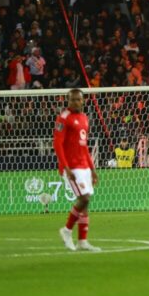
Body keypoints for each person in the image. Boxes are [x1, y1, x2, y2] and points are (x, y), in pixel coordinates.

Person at [54, 89, 101, 251]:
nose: (74, 102)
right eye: (71, 100)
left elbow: (84, 146)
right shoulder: (63, 118)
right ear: (67, 101)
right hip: (71, 167)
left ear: (83, 101)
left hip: (84, 167)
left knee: (85, 205)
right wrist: (65, 167)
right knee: (84, 199)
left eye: (77, 99)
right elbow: (57, 144)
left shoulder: (84, 118)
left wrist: (92, 168)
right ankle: (66, 230)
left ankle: (82, 241)